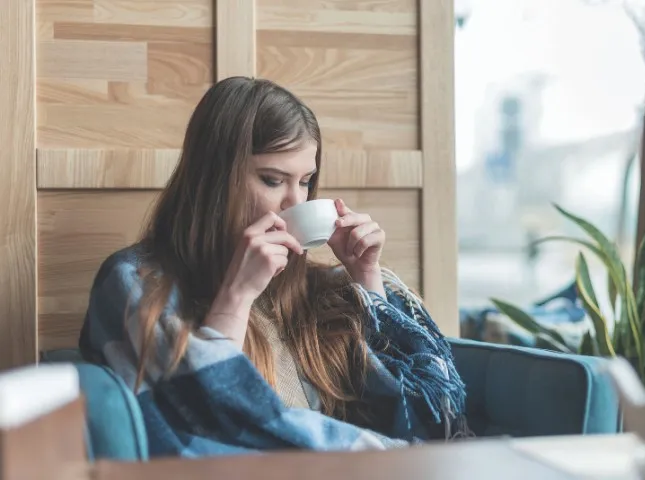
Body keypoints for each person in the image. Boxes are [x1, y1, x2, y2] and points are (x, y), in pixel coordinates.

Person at [78, 77, 469, 458]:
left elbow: (431, 415)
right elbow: (213, 423)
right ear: (213, 182)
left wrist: (366, 277)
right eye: (272, 180)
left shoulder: (318, 290)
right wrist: (236, 298)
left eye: (306, 181)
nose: (294, 201)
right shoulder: (137, 282)